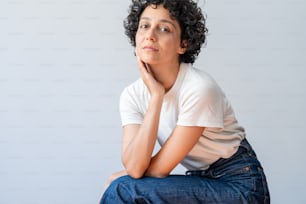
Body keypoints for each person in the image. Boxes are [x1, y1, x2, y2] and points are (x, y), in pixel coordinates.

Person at [100, 0, 270, 203]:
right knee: (123, 187)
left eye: (164, 28)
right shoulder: (132, 95)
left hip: (240, 185)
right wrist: (156, 97)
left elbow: (157, 171)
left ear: (183, 44)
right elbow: (135, 168)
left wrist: (156, 95)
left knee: (122, 189)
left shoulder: (199, 88)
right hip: (202, 180)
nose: (150, 35)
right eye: (144, 26)